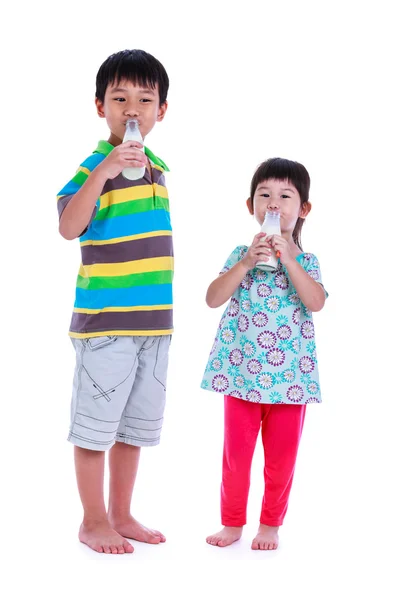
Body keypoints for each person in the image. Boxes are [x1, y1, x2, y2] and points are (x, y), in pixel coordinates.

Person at [57, 49, 172, 554]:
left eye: (144, 100)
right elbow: (67, 227)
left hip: (155, 325)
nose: (132, 110)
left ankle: (122, 513)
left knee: (132, 430)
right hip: (106, 325)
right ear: (100, 106)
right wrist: (102, 170)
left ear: (161, 111)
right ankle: (92, 520)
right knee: (94, 430)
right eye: (119, 98)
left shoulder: (159, 168)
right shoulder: (91, 167)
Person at [201, 157, 328, 550]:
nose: (274, 204)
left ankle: (270, 524)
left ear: (302, 209)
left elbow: (316, 301)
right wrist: (244, 262)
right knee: (235, 457)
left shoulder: (306, 262)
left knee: (281, 459)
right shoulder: (242, 254)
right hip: (240, 376)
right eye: (265, 195)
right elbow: (212, 298)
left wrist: (288, 258)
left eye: (285, 196)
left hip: (290, 381)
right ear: (250, 206)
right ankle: (232, 522)